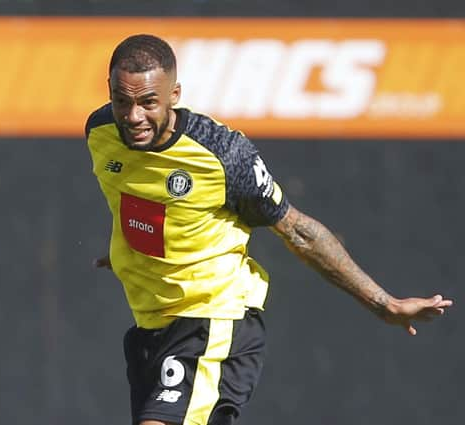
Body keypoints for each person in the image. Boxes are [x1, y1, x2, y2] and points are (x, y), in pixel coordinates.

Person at [84, 34, 453, 425]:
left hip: (212, 321)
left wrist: (384, 303)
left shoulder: (222, 156)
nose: (134, 116)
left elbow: (298, 232)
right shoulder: (101, 133)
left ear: (174, 94)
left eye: (148, 103)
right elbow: (144, 198)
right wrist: (133, 252)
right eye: (122, 101)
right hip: (151, 328)